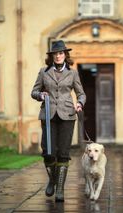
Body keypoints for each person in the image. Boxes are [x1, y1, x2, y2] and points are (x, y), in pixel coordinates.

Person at [31, 40, 86, 202]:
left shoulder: (73, 73)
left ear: (65, 55)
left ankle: (60, 189)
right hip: (48, 115)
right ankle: (52, 180)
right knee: (48, 151)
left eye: (61, 53)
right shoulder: (43, 72)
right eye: (55, 53)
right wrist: (41, 95)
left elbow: (81, 93)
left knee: (63, 152)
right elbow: (34, 91)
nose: (58, 56)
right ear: (52, 56)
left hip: (67, 115)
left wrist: (79, 103)